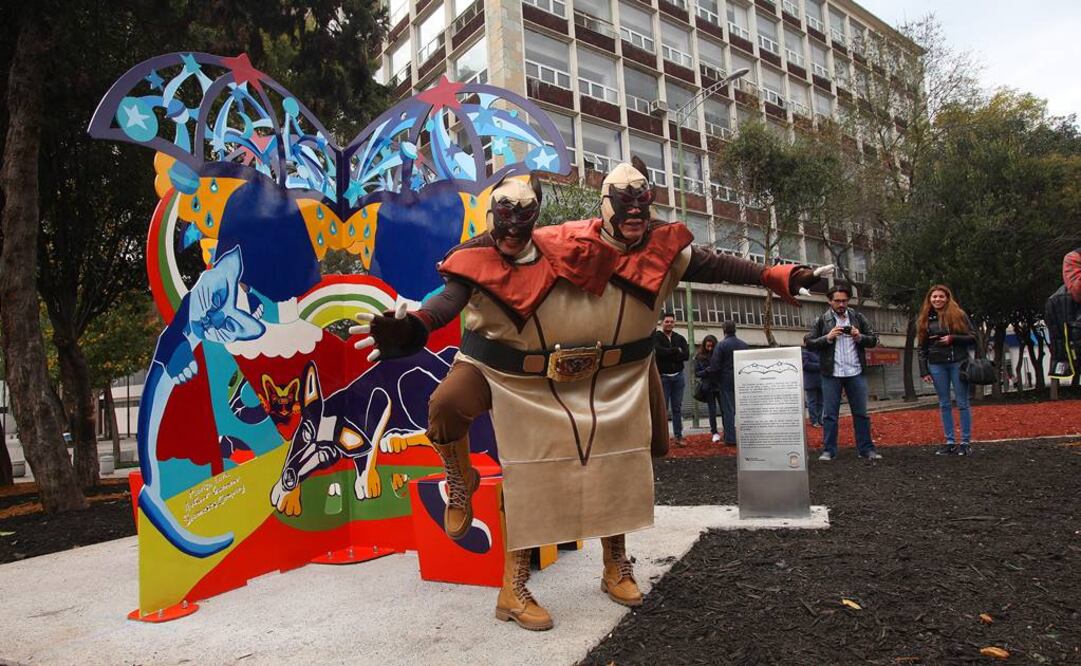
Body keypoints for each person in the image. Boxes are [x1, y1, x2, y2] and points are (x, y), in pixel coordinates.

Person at [354, 160, 824, 631]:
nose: (515, 224)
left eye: (525, 212)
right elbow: (448, 299)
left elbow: (717, 264)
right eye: (505, 211)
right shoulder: (508, 252)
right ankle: (471, 504)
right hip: (503, 370)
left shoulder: (645, 247)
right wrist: (416, 326)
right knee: (451, 410)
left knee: (613, 466)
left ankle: (615, 563)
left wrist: (777, 275)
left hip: (605, 378)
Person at [804, 285, 882, 461]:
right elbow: (809, 342)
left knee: (861, 413)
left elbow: (874, 339)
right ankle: (829, 450)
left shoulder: (858, 317)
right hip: (832, 373)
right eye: (837, 301)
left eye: (844, 300)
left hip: (856, 371)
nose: (841, 304)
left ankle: (866, 449)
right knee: (830, 414)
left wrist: (859, 336)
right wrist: (828, 337)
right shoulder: (822, 320)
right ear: (830, 301)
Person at [917, 284, 977, 456]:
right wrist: (924, 371)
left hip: (958, 362)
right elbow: (922, 347)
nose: (937, 299)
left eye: (941, 296)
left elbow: (972, 337)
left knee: (962, 402)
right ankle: (949, 442)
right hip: (936, 364)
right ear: (929, 299)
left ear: (947, 298)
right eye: (934, 297)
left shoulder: (959, 315)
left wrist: (953, 338)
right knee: (944, 404)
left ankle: (965, 442)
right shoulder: (925, 318)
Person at [653, 313, 690, 445]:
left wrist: (669, 354)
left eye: (671, 322)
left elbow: (686, 355)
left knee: (677, 408)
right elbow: (658, 352)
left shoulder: (679, 338)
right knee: (662, 409)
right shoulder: (656, 337)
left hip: (678, 377)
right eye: (667, 321)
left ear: (674, 323)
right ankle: (661, 439)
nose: (669, 323)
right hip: (663, 378)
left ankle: (678, 437)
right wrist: (675, 351)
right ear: (662, 322)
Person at [709, 321, 747, 446]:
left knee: (728, 410)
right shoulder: (744, 345)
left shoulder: (721, 345)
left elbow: (714, 366)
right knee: (742, 409)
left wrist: (716, 381)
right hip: (741, 379)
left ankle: (730, 438)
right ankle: (745, 435)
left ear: (724, 330)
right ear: (735, 330)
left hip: (726, 381)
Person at [693, 335, 721, 443]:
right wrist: (707, 371)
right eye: (708, 346)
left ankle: (727, 431)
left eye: (712, 346)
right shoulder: (699, 357)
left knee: (724, 409)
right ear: (704, 345)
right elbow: (697, 373)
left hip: (718, 385)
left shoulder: (718, 355)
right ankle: (714, 432)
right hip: (708, 387)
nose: (710, 348)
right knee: (712, 411)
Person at [802, 347, 822, 427]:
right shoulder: (805, 352)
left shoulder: (820, 351)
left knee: (821, 402)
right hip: (810, 382)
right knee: (812, 402)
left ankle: (820, 419)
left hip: (821, 380)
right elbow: (806, 365)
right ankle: (814, 420)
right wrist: (821, 366)